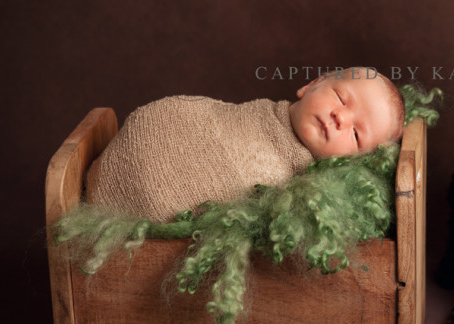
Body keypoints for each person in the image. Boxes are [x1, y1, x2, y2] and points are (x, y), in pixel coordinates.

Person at [85, 67, 404, 221]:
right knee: (160, 119)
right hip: (154, 139)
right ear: (312, 83)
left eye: (356, 134)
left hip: (155, 224)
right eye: (339, 97)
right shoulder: (240, 115)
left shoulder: (302, 192)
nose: (339, 118)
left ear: (353, 164)